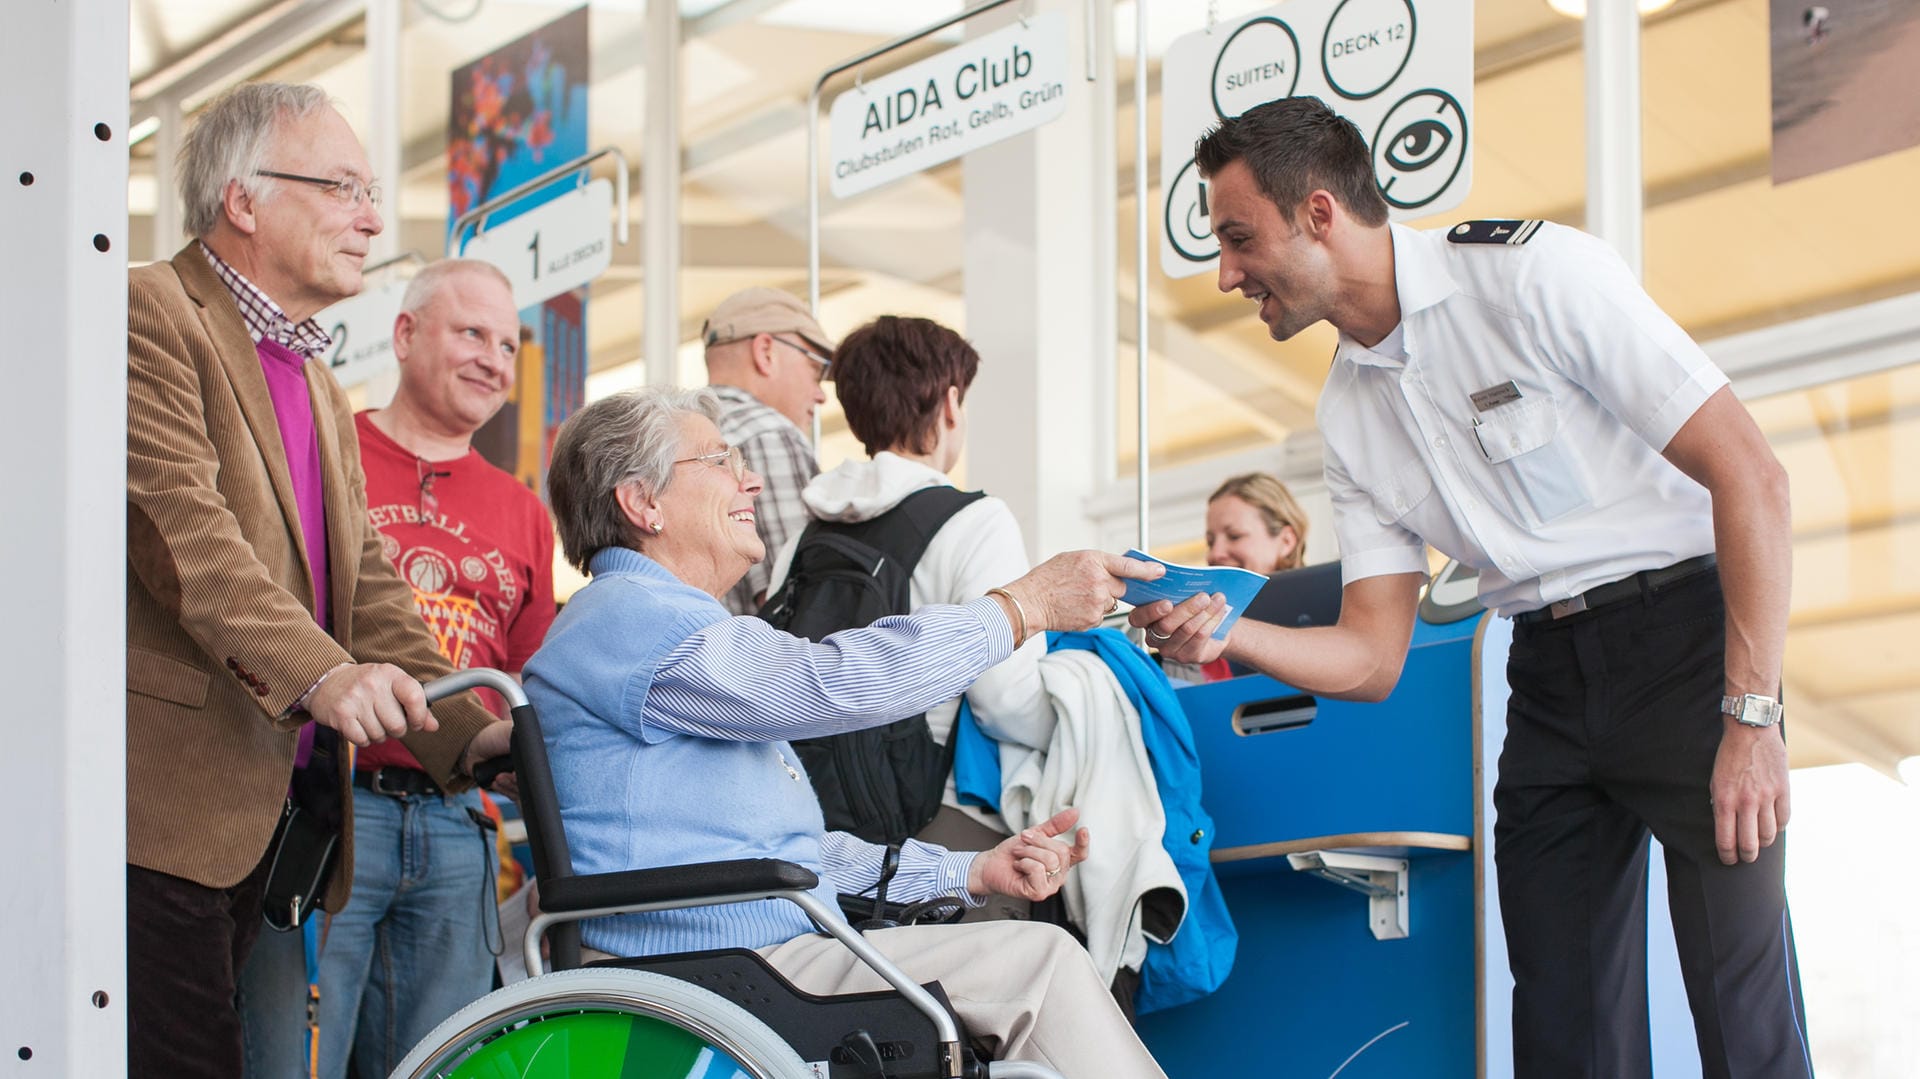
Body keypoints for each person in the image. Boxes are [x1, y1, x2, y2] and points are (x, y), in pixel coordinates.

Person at [1134, 97, 1808, 1078]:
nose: (1227, 273)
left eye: (1238, 239)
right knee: (1561, 1029)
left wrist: (1752, 717)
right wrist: (1231, 622)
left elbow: (1753, 476)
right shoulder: (1347, 410)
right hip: (1543, 677)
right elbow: (1371, 654)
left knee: (1740, 1016)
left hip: (1690, 655)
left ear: (1320, 213)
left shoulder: (1536, 276)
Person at [522, 387, 1170, 1077]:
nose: (753, 478)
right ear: (642, 502)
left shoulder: (654, 628)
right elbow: (833, 681)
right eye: (720, 459)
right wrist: (1024, 605)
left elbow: (785, 856)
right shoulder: (629, 619)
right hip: (715, 969)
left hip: (747, 952)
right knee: (1042, 967)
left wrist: (970, 869)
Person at [125, 82, 508, 1078]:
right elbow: (185, 538)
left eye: (372, 193)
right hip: (160, 810)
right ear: (245, 201)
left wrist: (475, 730)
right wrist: (324, 675)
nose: (373, 220)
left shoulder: (317, 377)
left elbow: (371, 584)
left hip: (282, 824)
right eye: (343, 188)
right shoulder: (148, 310)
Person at [314, 259, 559, 1078]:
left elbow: (525, 680)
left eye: (507, 343)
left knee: (439, 1062)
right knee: (290, 1054)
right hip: (332, 806)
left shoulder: (525, 509)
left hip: (458, 823)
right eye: (471, 333)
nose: (494, 357)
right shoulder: (327, 448)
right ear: (406, 334)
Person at [765, 315, 1049, 883]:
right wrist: (1067, 720)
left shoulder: (806, 534)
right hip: (939, 819)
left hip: (815, 824)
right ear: (949, 404)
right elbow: (1003, 698)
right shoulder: (976, 519)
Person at [700, 286, 837, 615]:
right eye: (816, 371)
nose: (821, 396)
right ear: (765, 352)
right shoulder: (767, 433)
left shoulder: (674, 434)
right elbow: (792, 601)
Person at [1183, 471, 1312, 681]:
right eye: (1210, 542)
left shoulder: (1335, 619)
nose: (1215, 553)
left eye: (1235, 536)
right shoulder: (1197, 635)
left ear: (1286, 541)